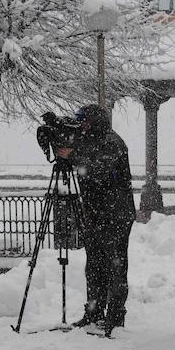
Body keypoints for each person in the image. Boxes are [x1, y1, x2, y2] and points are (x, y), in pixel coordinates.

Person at [56, 103, 135, 337]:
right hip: (96, 212)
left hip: (116, 214)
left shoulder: (112, 142)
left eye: (84, 121)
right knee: (94, 265)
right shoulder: (89, 140)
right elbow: (85, 164)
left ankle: (115, 316)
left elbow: (98, 171)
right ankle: (94, 311)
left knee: (115, 265)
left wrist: (73, 156)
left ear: (95, 122)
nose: (81, 125)